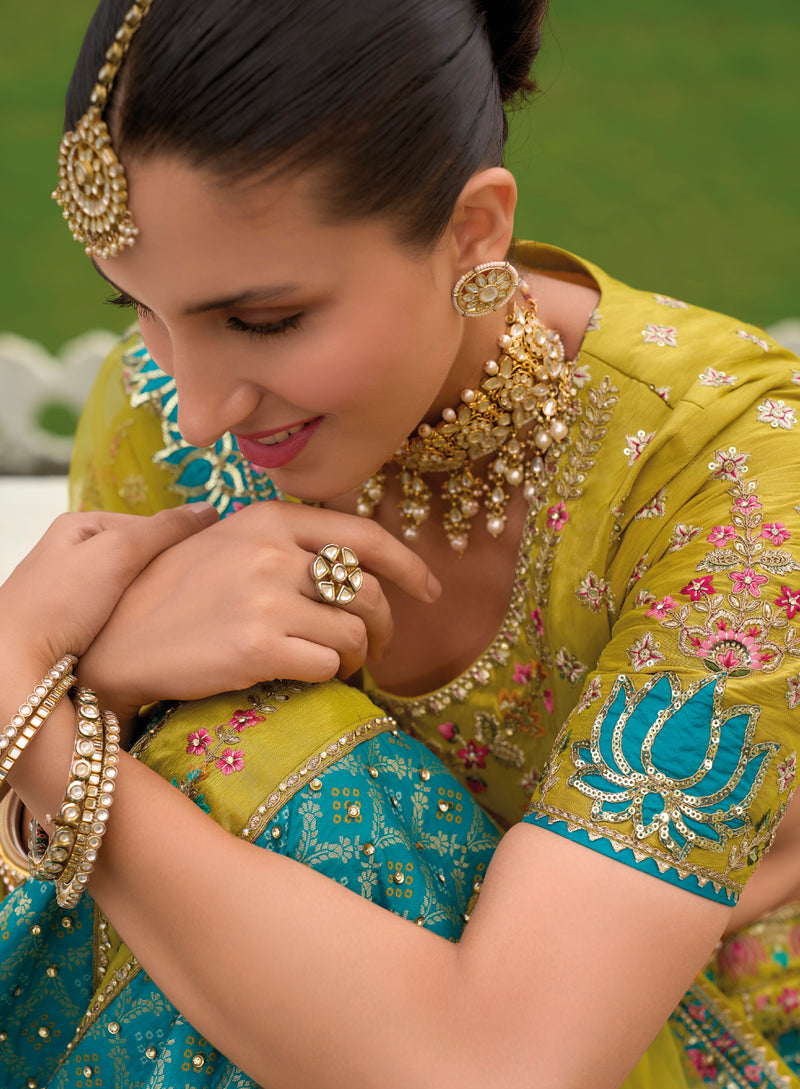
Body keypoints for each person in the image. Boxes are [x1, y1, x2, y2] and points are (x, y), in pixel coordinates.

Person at [3, 0, 800, 1086]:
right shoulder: (157, 410)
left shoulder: (727, 469)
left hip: (675, 1029)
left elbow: (511, 1065)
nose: (194, 407)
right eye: (140, 309)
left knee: (253, 745)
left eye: (265, 321)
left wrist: (34, 706)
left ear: (472, 231)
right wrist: (100, 686)